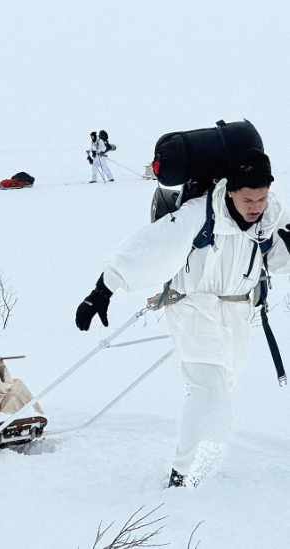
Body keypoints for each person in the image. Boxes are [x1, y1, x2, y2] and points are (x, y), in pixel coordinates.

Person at [75, 149, 290, 487]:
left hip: (237, 312)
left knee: (218, 388)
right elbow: (149, 248)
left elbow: (277, 259)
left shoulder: (269, 216)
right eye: (248, 199)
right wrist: (103, 290)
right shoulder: (198, 214)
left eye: (261, 198)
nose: (255, 206)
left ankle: (196, 467)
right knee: (210, 391)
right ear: (230, 190)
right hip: (193, 308)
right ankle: (185, 473)